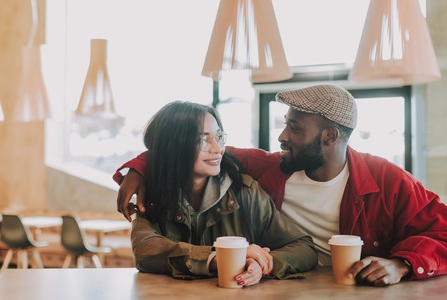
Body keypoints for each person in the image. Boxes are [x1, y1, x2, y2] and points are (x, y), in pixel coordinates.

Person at [113, 84, 447, 287]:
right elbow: (183, 150)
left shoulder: (386, 180)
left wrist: (403, 263)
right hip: (288, 287)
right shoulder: (272, 167)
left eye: (295, 129)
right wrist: (141, 168)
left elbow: (443, 230)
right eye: (285, 125)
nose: (282, 137)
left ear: (329, 137)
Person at [123, 101, 318, 286]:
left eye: (219, 137)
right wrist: (221, 257)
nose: (217, 149)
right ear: (174, 147)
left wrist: (264, 262)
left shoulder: (245, 192)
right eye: (203, 139)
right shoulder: (151, 194)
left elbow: (304, 247)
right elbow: (146, 251)